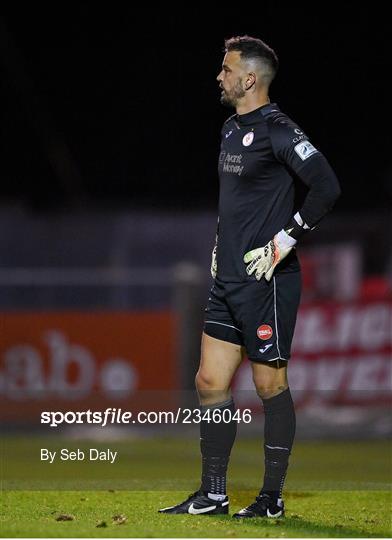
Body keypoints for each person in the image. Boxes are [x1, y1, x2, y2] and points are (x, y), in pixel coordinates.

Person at [159, 35, 341, 518]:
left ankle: (270, 499)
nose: (219, 76)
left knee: (269, 388)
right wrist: (222, 242)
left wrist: (287, 238)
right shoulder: (227, 129)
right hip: (229, 278)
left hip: (269, 280)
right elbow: (236, 202)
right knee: (208, 380)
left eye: (226, 68)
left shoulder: (280, 130)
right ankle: (213, 494)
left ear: (250, 78)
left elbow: (326, 185)